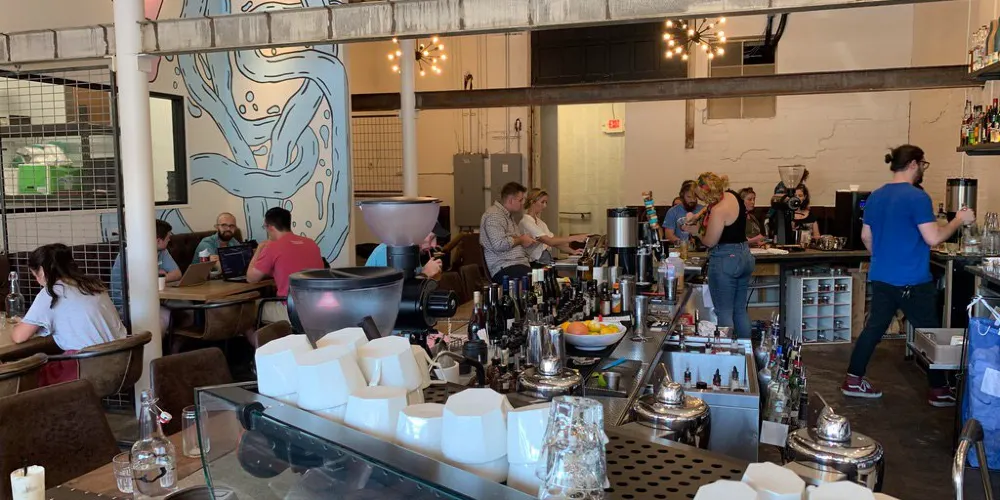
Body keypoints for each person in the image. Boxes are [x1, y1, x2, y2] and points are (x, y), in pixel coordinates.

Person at [842, 145, 974, 406]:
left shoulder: (876, 196)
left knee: (873, 329)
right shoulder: (917, 197)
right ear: (913, 164)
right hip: (912, 280)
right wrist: (959, 219)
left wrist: (885, 257)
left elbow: (866, 236)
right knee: (930, 333)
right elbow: (933, 238)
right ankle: (939, 390)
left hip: (882, 276)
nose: (923, 169)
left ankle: (853, 380)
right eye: (923, 164)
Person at [13, 244, 127, 386]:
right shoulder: (94, 285)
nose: (37, 281)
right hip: (122, 363)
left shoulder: (51, 292)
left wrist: (18, 324)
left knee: (25, 375)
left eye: (35, 275)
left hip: (87, 369)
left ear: (41, 271)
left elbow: (19, 337)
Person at [685, 173, 755, 339]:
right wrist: (697, 216)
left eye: (702, 197)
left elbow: (710, 241)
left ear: (709, 194)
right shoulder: (732, 195)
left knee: (724, 312)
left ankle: (727, 352)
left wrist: (696, 232)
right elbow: (708, 207)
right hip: (744, 255)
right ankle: (746, 351)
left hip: (725, 260)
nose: (701, 201)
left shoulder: (718, 211)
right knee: (739, 310)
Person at [247, 207, 325, 322]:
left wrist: (259, 249)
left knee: (247, 308)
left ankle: (257, 335)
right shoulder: (311, 243)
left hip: (291, 311)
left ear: (270, 227)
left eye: (265, 227)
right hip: (317, 307)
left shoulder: (272, 247)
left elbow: (251, 278)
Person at [110, 219, 181, 330]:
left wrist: (159, 277)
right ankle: (153, 342)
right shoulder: (130, 254)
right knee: (164, 317)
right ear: (158, 241)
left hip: (151, 300)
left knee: (185, 307)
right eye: (168, 237)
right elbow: (140, 283)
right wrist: (157, 275)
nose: (169, 240)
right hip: (127, 305)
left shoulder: (162, 251)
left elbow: (177, 274)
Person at [480, 182, 534, 283]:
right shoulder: (494, 216)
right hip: (505, 267)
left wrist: (524, 240)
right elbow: (499, 244)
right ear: (510, 200)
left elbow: (513, 240)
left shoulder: (508, 216)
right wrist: (521, 239)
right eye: (520, 200)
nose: (522, 203)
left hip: (516, 264)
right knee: (539, 281)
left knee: (545, 276)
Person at [519, 188, 588, 265]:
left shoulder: (540, 222)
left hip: (546, 259)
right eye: (542, 202)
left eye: (546, 202)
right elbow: (550, 241)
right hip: (535, 263)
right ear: (532, 202)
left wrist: (572, 251)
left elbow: (554, 241)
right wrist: (575, 238)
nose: (545, 206)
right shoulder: (526, 222)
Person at [365, 221, 448, 279]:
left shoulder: (413, 252)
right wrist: (425, 273)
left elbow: (413, 283)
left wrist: (430, 274)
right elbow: (395, 293)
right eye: (432, 238)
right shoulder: (387, 252)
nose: (434, 245)